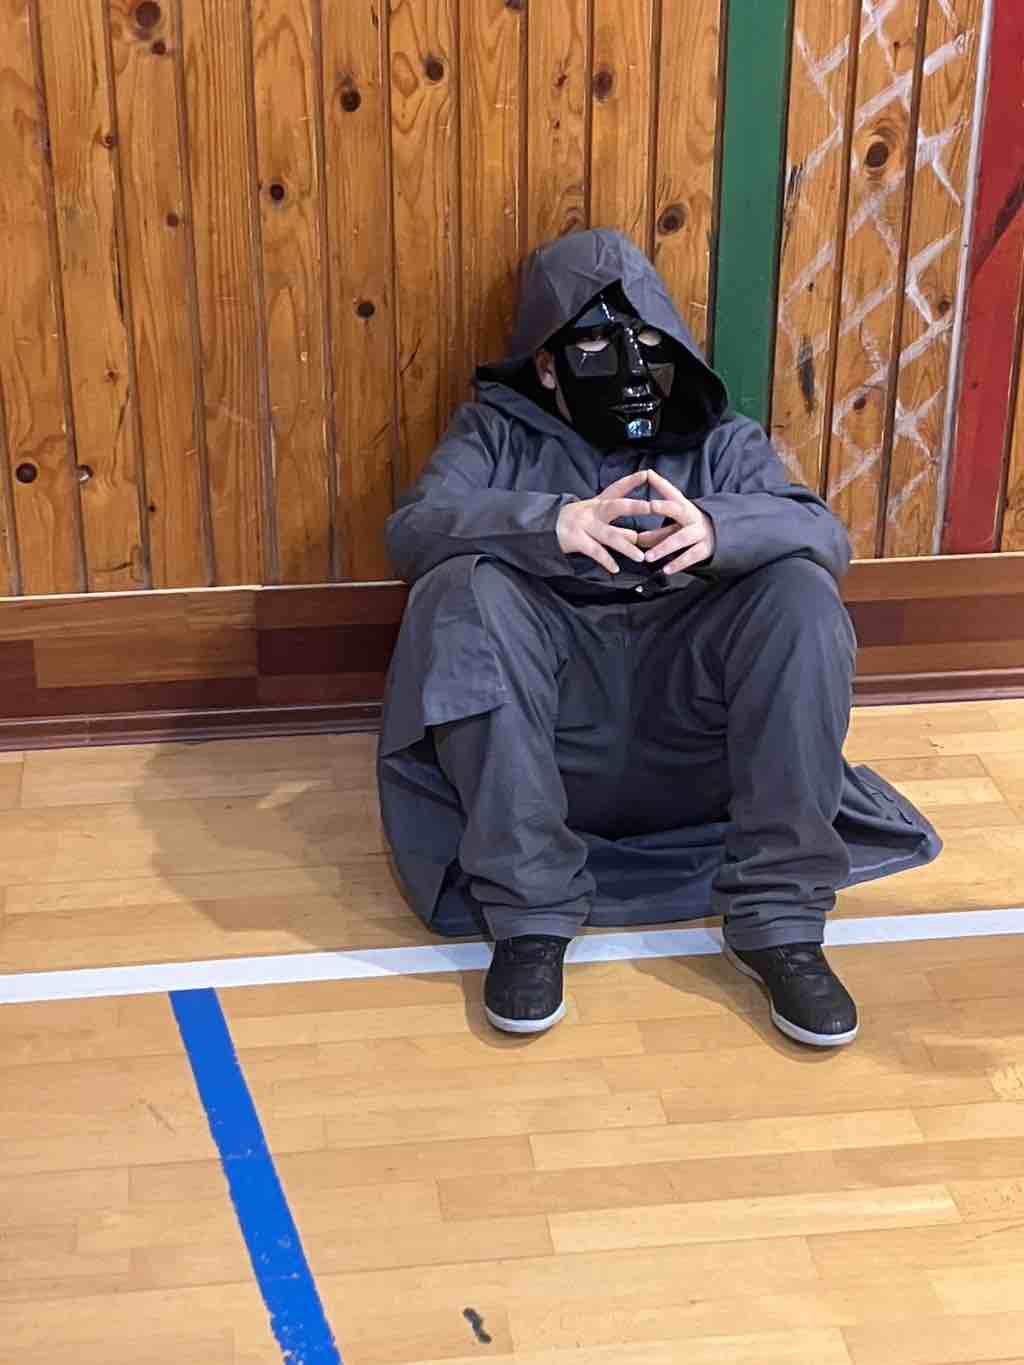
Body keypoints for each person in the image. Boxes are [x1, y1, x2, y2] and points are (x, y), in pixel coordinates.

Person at [377, 228, 941, 1049]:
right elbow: (413, 531)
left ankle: (779, 918)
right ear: (547, 365)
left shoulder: (718, 437)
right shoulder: (495, 433)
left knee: (801, 591)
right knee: (458, 591)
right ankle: (529, 914)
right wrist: (548, 524)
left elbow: (824, 534)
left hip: (688, 731)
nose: (627, 366)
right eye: (595, 346)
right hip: (553, 735)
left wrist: (719, 528)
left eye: (645, 343)